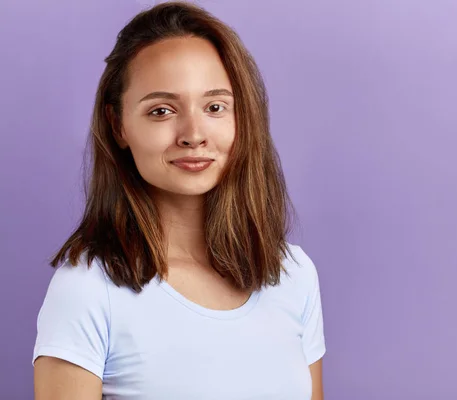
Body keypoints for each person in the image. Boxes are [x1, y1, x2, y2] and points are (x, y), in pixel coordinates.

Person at [31, 2, 326, 399]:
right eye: (162, 110)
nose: (193, 134)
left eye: (215, 107)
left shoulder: (294, 275)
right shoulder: (88, 289)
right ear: (119, 125)